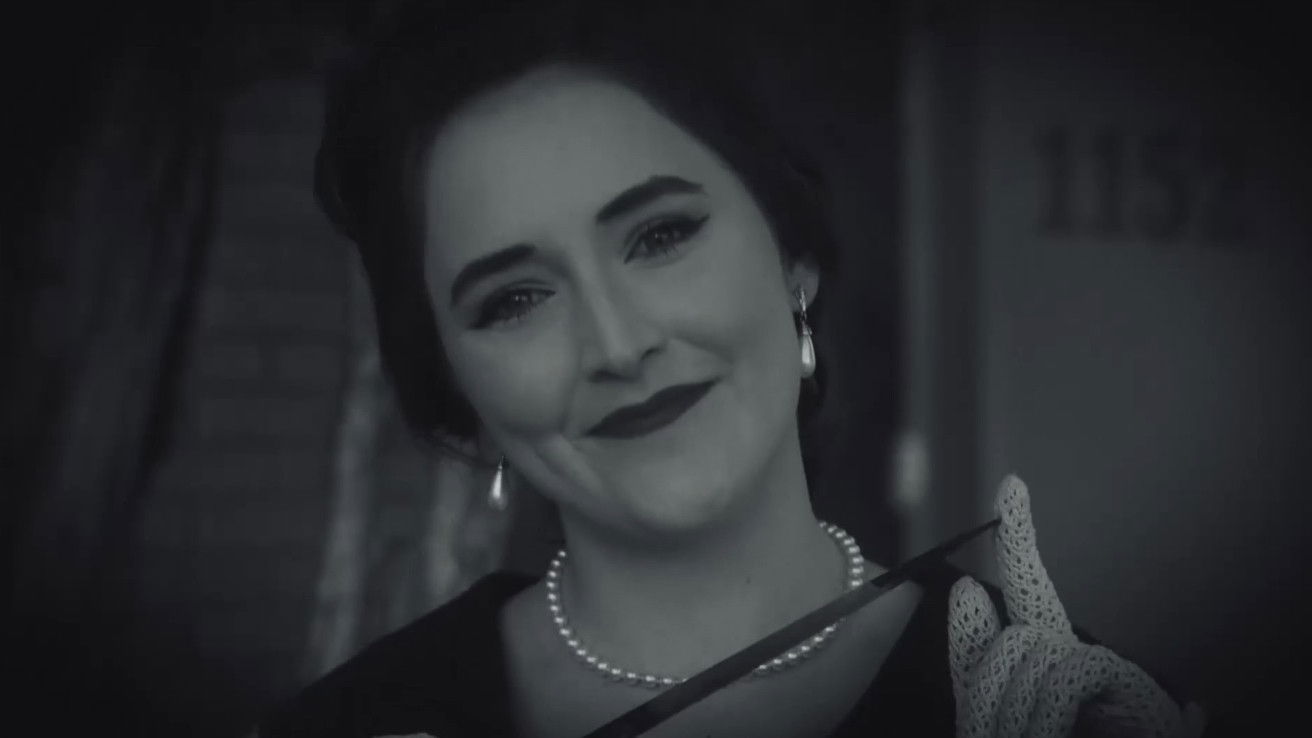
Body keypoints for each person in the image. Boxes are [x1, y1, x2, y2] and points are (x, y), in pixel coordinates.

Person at [257, 1, 1209, 735]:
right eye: (514, 300)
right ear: (457, 398)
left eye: (660, 236)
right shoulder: (350, 724)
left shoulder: (1070, 711)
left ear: (793, 260)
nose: (618, 344)